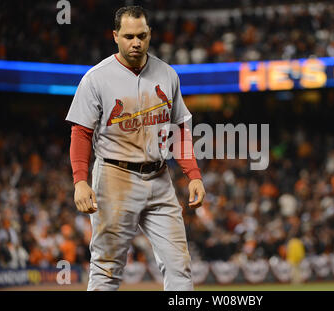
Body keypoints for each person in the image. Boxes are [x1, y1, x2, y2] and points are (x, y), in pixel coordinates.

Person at [65, 6, 205, 291]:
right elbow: (80, 133)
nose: (136, 42)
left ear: (150, 34)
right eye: (128, 36)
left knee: (180, 266)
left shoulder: (167, 74)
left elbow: (179, 128)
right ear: (115, 36)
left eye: (142, 35)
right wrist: (80, 181)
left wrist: (194, 174)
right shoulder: (96, 77)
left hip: (159, 177)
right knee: (106, 269)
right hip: (115, 177)